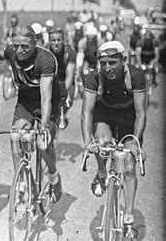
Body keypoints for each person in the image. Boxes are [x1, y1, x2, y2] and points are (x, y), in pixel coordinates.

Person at [81, 41, 146, 239]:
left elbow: (141, 113)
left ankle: (128, 218)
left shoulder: (135, 76)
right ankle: (101, 172)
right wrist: (87, 143)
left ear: (123, 60)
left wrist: (135, 143)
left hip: (127, 118)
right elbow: (86, 112)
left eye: (112, 62)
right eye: (103, 63)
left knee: (128, 166)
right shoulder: (93, 77)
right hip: (105, 116)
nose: (107, 68)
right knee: (101, 143)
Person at [3, 25, 63, 203]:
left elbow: (46, 97)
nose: (19, 51)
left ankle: (53, 176)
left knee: (42, 145)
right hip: (26, 103)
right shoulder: (10, 52)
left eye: (25, 47)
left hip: (47, 104)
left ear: (34, 44)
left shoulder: (46, 60)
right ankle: (21, 181)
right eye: (16, 46)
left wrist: (44, 126)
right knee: (16, 135)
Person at [48, 28, 77, 119]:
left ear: (64, 41)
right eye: (53, 40)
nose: (56, 43)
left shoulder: (70, 52)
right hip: (50, 78)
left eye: (59, 40)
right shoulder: (45, 51)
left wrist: (64, 91)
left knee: (68, 101)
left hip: (65, 78)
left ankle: (63, 113)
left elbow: (70, 74)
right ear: (49, 42)